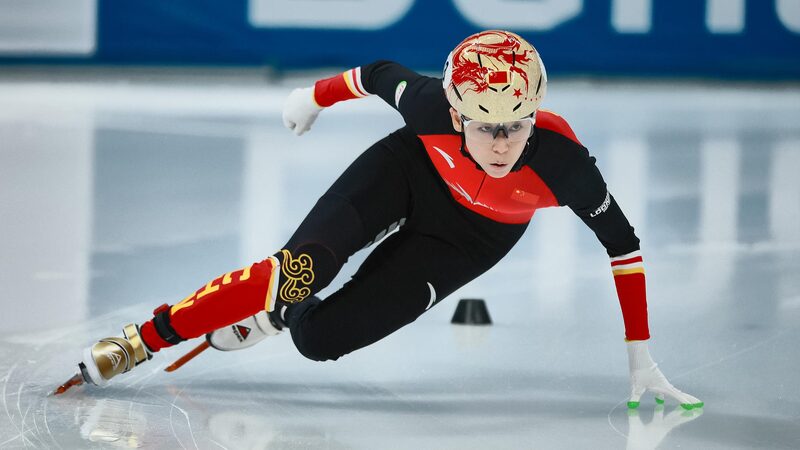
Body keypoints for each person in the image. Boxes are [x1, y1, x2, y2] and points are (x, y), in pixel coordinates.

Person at [75, 30, 701, 410]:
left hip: (471, 237)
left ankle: (275, 317)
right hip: (408, 172)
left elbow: (623, 245)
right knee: (298, 269)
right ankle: (143, 340)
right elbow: (377, 76)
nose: (506, 142)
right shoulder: (429, 103)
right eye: (488, 127)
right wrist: (312, 97)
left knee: (318, 340)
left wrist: (639, 352)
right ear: (457, 115)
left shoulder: (564, 164)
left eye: (518, 124)